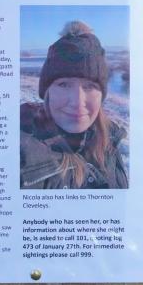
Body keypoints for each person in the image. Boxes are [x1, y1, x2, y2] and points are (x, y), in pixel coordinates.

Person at [20, 20, 129, 189]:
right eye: (63, 84)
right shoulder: (22, 147)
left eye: (89, 86)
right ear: (47, 91)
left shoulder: (109, 139)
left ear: (102, 94)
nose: (78, 102)